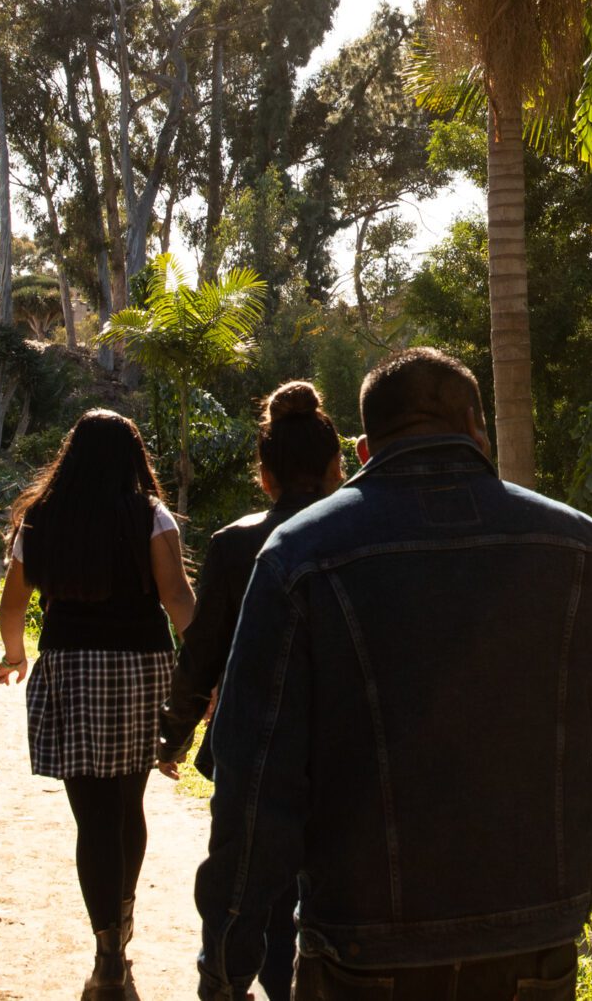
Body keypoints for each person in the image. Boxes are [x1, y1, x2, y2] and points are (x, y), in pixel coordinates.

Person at [193, 347, 592, 1001]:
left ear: (364, 448)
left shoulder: (299, 555)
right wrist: (589, 854)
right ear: (478, 429)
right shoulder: (574, 542)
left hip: (363, 947)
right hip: (532, 943)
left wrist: (227, 966)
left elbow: (254, 777)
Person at [0, 409, 197, 1001]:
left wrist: (14, 655)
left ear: (71, 456)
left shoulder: (40, 518)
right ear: (135, 459)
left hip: (71, 668)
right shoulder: (151, 515)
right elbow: (178, 597)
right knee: (127, 804)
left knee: (91, 817)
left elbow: (13, 604)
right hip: (141, 668)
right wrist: (209, 667)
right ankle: (122, 935)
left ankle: (107, 951)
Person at [156, 381, 347, 1001]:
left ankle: (229, 984)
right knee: (320, 889)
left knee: (240, 890)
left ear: (263, 476)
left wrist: (176, 732)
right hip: (343, 747)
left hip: (251, 749)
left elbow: (203, 653)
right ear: (336, 470)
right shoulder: (356, 542)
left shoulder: (236, 545)